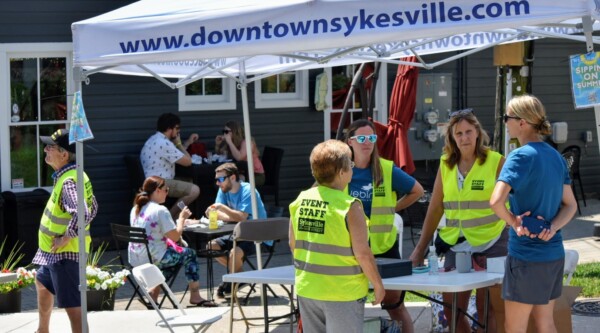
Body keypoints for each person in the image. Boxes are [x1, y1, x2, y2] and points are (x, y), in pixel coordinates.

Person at [408, 109, 506, 333]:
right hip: (457, 243)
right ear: (451, 137)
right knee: (452, 311)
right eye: (459, 133)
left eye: (469, 132)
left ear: (478, 133)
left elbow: (515, 198)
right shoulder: (446, 164)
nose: (464, 138)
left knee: (486, 309)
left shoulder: (496, 161)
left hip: (492, 241)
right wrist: (420, 249)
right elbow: (435, 209)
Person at [490, 95, 577, 332]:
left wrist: (513, 222)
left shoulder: (519, 156)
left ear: (522, 122)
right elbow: (571, 205)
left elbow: (496, 201)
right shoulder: (556, 157)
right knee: (545, 323)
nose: (504, 121)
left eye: (507, 117)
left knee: (513, 327)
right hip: (553, 255)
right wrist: (552, 227)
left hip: (526, 256)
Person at [289, 139, 385, 333]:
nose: (353, 167)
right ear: (342, 172)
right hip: (343, 292)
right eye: (350, 164)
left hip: (308, 288)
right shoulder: (349, 206)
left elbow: (293, 244)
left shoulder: (300, 200)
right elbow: (363, 254)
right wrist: (378, 284)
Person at [345, 119, 424, 333]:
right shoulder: (341, 171)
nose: (366, 143)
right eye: (361, 138)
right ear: (350, 141)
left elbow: (418, 191)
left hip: (385, 247)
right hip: (350, 249)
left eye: (371, 138)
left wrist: (393, 208)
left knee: (394, 306)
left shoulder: (386, 169)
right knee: (351, 307)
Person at [33, 129, 98, 333]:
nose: (45, 149)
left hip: (65, 256)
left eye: (49, 147)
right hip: (52, 255)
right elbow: (94, 207)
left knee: (73, 307)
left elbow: (84, 213)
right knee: (41, 283)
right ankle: (42, 330)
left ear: (63, 154)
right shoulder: (75, 175)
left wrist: (66, 237)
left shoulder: (69, 181)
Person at [129, 176, 216, 307]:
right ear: (157, 190)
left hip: (136, 257)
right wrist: (181, 219)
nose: (167, 193)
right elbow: (175, 237)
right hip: (154, 258)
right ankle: (195, 296)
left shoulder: (136, 208)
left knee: (175, 257)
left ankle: (153, 293)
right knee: (190, 254)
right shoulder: (160, 210)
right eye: (166, 189)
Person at [206, 162, 268, 298]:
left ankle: (233, 278)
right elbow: (215, 215)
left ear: (232, 178)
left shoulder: (248, 190)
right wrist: (225, 213)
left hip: (257, 233)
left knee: (234, 253)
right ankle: (240, 277)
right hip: (237, 233)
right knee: (211, 246)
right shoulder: (223, 190)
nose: (217, 183)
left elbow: (242, 217)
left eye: (220, 179)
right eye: (216, 180)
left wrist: (224, 210)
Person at [140, 112, 200, 218]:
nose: (178, 131)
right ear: (169, 128)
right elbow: (188, 161)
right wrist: (179, 143)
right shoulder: (164, 143)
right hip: (161, 182)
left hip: (151, 181)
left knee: (189, 182)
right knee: (194, 190)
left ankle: (177, 215)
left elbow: (176, 154)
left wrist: (188, 143)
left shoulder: (153, 139)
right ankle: (170, 216)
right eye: (177, 128)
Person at [215, 120, 265, 186]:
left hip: (255, 175)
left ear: (234, 132)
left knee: (230, 183)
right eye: (224, 131)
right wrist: (217, 145)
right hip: (241, 173)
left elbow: (239, 157)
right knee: (222, 181)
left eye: (226, 132)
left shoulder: (247, 141)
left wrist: (229, 142)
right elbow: (221, 154)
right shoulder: (233, 142)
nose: (225, 134)